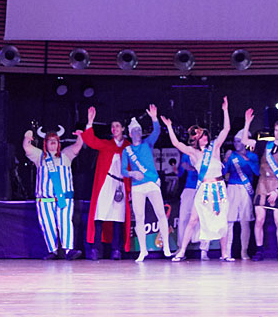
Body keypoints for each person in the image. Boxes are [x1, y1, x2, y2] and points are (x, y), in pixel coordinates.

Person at [166, 99, 233, 261]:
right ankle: (182, 251)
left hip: (218, 187)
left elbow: (226, 129)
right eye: (201, 136)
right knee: (193, 219)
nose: (204, 138)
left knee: (222, 220)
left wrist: (225, 110)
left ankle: (224, 254)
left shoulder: (215, 148)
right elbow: (176, 143)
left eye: (205, 135)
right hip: (203, 189)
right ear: (196, 139)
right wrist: (169, 126)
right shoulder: (193, 153)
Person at [81, 108, 136, 258]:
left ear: (123, 128)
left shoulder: (128, 147)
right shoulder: (106, 144)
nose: (114, 129)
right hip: (106, 183)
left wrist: (130, 189)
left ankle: (116, 250)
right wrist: (90, 122)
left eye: (117, 126)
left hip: (121, 185)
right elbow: (91, 141)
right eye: (112, 126)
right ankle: (95, 249)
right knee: (100, 215)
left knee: (118, 218)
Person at [23, 127, 84, 259]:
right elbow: (26, 147)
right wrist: (28, 135)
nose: (52, 143)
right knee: (47, 224)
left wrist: (80, 135)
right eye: (49, 140)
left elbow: (78, 146)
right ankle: (52, 250)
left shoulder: (66, 155)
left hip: (64, 199)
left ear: (58, 143)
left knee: (65, 223)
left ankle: (69, 250)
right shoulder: (39, 156)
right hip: (45, 199)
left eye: (55, 141)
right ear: (45, 143)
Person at [121, 105, 172, 261]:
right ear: (130, 134)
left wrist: (154, 118)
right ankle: (143, 250)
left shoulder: (147, 143)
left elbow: (156, 131)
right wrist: (132, 173)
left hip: (151, 183)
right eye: (134, 131)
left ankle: (167, 248)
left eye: (139, 130)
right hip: (137, 186)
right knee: (139, 217)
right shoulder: (127, 150)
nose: (137, 133)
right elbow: (123, 170)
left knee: (161, 213)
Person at [251, 119, 278, 258]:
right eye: (276, 130)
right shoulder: (264, 145)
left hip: (276, 186)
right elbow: (245, 141)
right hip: (262, 185)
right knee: (259, 219)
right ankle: (259, 250)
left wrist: (277, 191)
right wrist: (247, 123)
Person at [223, 110, 259, 261]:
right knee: (229, 221)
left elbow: (257, 172)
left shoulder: (253, 156)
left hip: (245, 189)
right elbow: (224, 173)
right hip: (232, 188)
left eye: (239, 141)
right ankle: (227, 252)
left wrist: (247, 160)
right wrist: (225, 160)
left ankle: (244, 251)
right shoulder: (231, 156)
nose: (237, 144)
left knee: (245, 222)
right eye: (235, 141)